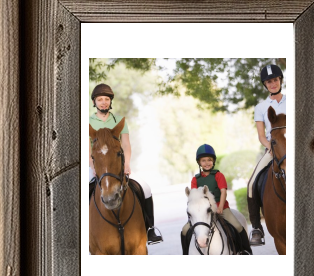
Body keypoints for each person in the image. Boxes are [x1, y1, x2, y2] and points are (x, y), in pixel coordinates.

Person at [89, 83, 163, 245]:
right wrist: (93, 167)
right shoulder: (89, 122)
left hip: (117, 166)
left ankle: (149, 229)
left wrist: (127, 164)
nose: (103, 102)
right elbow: (88, 148)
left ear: (110, 102)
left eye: (106, 99)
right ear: (94, 102)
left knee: (145, 188)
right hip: (96, 166)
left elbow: (127, 144)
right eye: (100, 99)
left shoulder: (119, 121)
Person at [181, 144, 252, 255]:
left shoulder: (218, 175)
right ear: (199, 162)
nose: (207, 163)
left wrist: (220, 207)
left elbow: (223, 192)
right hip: (204, 211)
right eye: (203, 160)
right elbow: (195, 197)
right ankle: (185, 253)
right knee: (185, 230)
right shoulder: (195, 179)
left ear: (213, 161)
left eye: (209, 160)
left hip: (221, 207)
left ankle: (245, 251)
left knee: (238, 226)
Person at [247, 64, 286, 245]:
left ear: (280, 80)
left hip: (293, 147)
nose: (273, 84)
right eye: (269, 81)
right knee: (252, 182)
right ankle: (256, 228)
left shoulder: (291, 100)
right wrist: (269, 146)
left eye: (275, 80)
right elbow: (262, 136)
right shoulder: (261, 107)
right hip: (273, 148)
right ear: (265, 84)